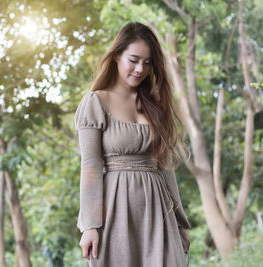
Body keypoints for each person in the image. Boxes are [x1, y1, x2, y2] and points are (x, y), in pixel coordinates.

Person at [74, 22, 191, 267]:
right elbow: (91, 166)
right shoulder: (95, 102)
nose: (140, 69)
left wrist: (180, 222)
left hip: (158, 211)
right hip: (115, 212)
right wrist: (90, 226)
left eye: (147, 63)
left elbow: (165, 166)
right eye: (134, 60)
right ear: (117, 56)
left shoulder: (155, 104)